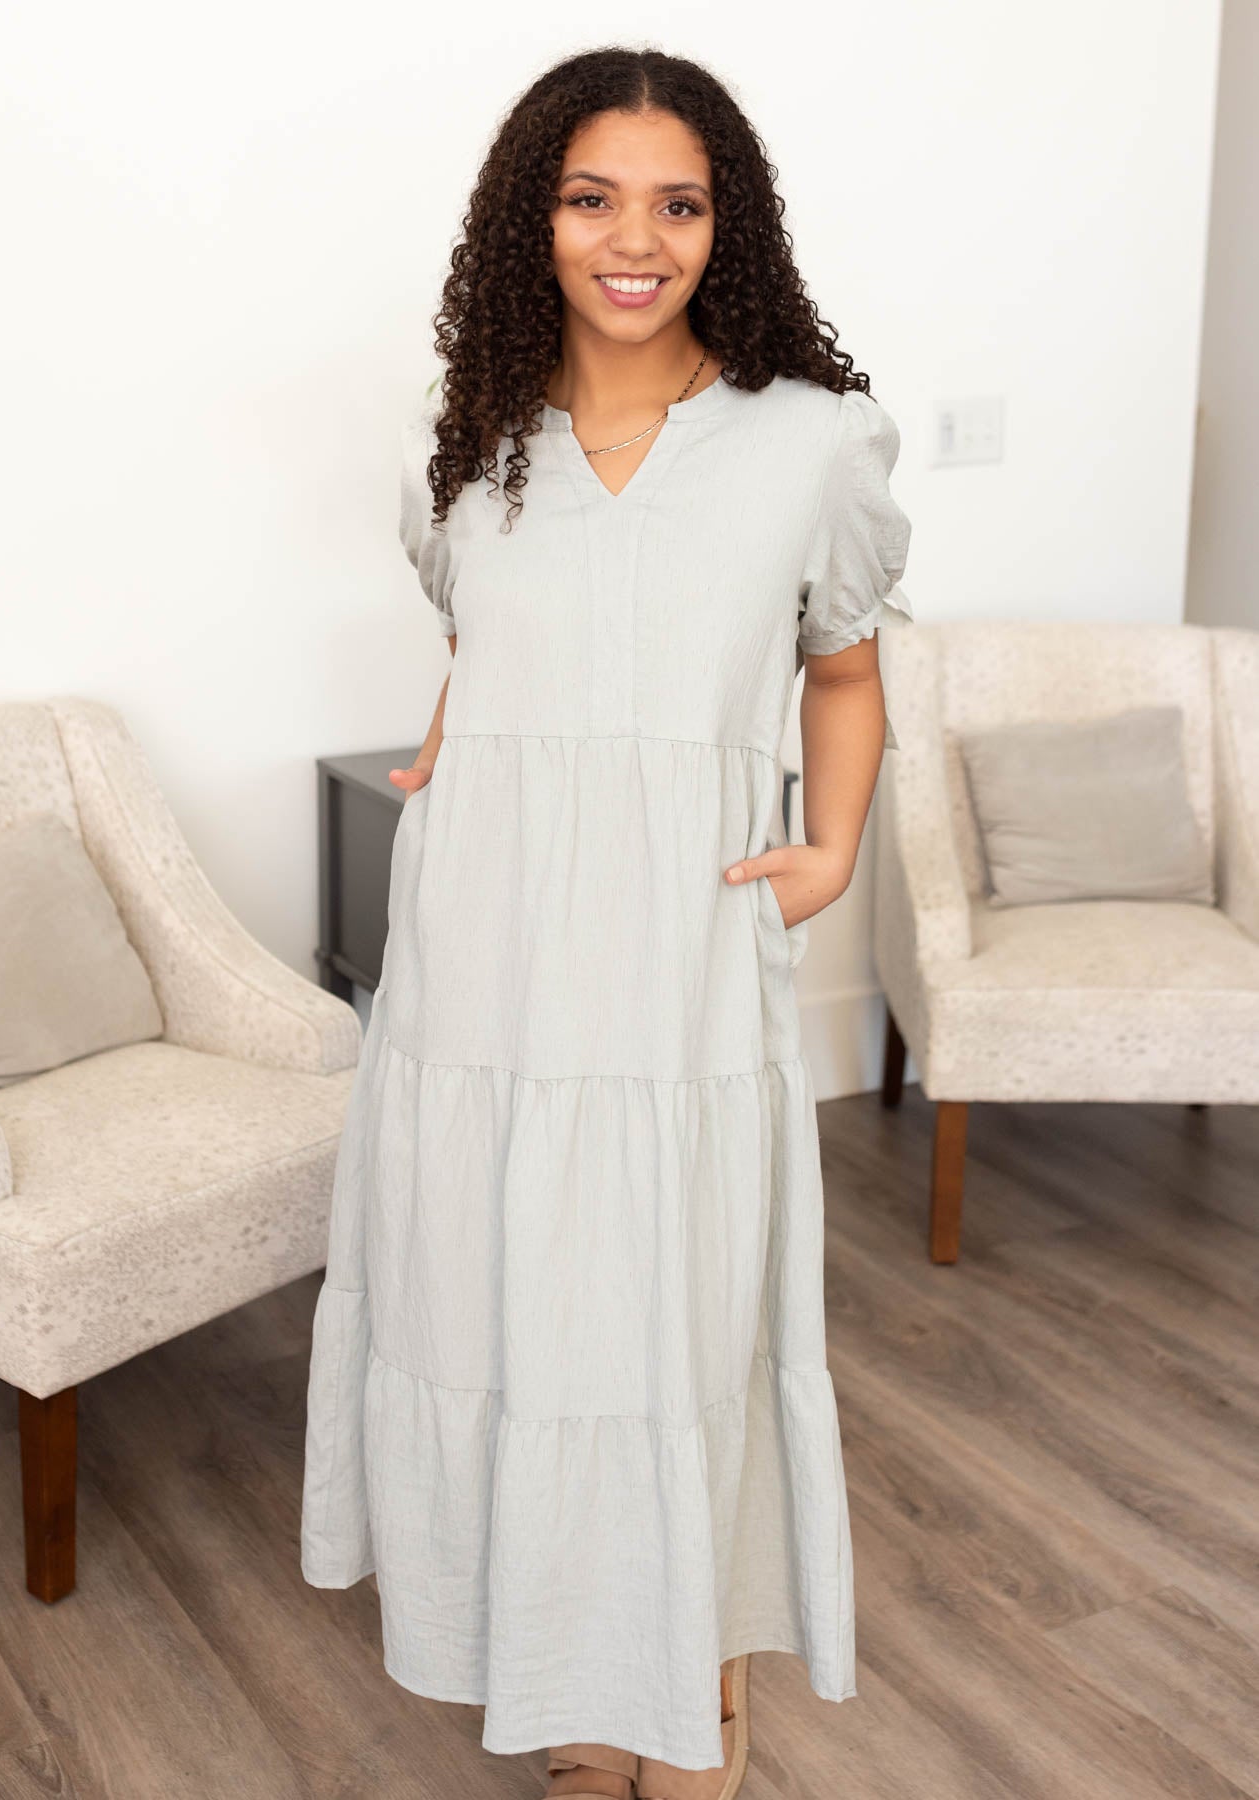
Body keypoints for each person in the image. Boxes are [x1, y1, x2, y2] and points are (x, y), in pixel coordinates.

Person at [301, 44, 912, 1800]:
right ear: (531, 218)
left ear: (730, 226)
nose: (631, 239)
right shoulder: (460, 453)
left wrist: (831, 848)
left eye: (675, 200)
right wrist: (452, 749)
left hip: (678, 964)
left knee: (672, 1324)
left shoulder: (805, 445)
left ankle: (684, 1696)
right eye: (589, 197)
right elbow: (489, 647)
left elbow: (846, 671)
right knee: (507, 1319)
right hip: (482, 964)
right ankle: (580, 1711)